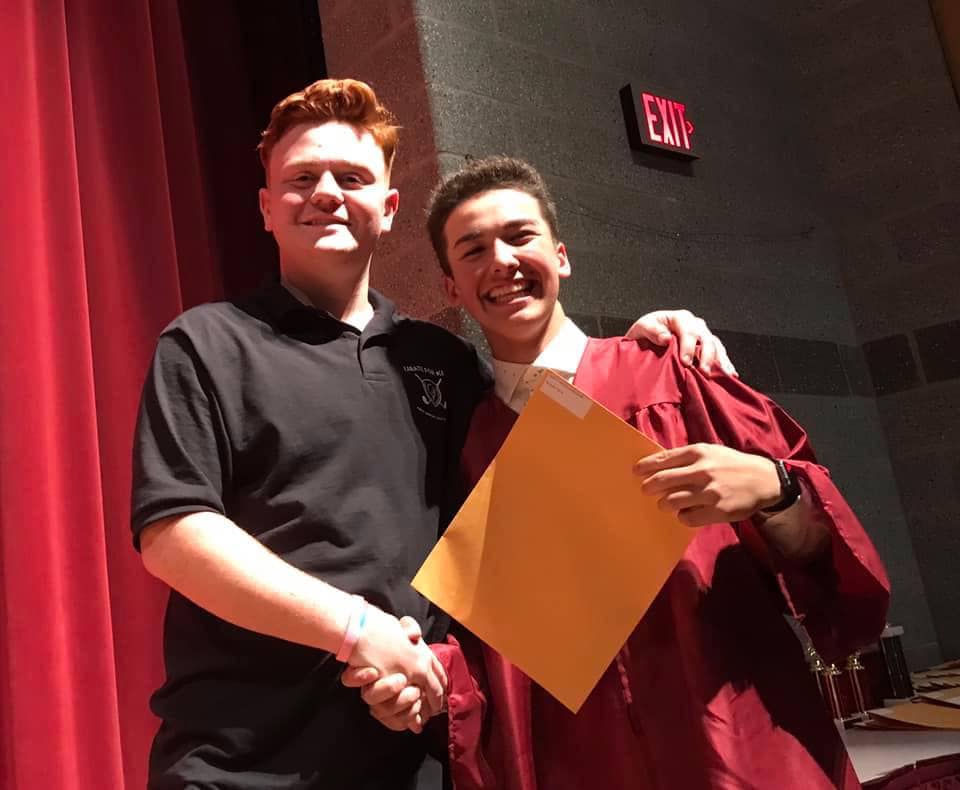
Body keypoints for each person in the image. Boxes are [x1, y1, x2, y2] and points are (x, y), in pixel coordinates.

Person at [131, 80, 733, 789]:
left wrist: (630, 350)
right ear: (266, 208)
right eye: (301, 179)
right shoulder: (205, 343)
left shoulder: (442, 361)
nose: (326, 193)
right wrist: (358, 632)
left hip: (419, 757)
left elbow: (536, 483)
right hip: (239, 766)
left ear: (386, 210)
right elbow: (173, 537)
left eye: (351, 177)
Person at [344, 156, 891, 790]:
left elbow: (826, 568)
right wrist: (425, 680)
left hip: (738, 745)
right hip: (585, 761)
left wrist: (777, 489)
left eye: (520, 236)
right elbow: (493, 650)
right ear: (451, 289)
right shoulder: (471, 448)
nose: (500, 260)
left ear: (563, 256)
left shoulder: (672, 375)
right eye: (473, 250)